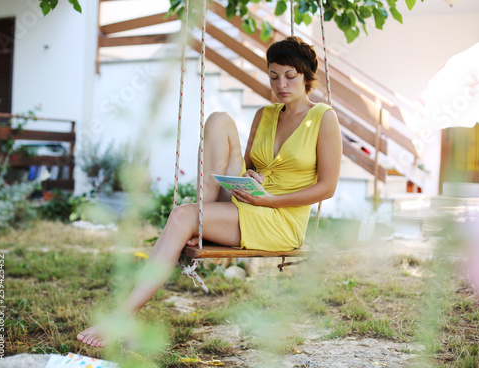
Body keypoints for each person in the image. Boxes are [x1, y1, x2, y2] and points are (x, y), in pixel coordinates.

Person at [77, 36, 342, 347]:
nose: (280, 84)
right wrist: (250, 176)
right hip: (250, 199)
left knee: (181, 215)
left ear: (306, 77)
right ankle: (200, 225)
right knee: (218, 120)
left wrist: (271, 200)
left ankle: (123, 315)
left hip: (280, 220)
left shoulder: (324, 117)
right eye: (273, 76)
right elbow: (245, 164)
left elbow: (327, 187)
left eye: (289, 76)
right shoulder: (265, 115)